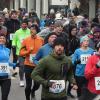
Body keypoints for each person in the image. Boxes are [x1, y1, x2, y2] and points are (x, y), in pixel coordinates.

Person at [19, 24, 44, 100]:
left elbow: (43, 52)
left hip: (37, 65)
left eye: (33, 29)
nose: (31, 30)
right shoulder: (26, 40)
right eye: (31, 29)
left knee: (37, 84)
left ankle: (33, 91)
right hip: (28, 65)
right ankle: (27, 98)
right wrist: (28, 51)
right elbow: (21, 52)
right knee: (28, 86)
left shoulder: (41, 40)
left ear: (37, 30)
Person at [12, 19, 30, 86]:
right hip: (20, 52)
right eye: (23, 24)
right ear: (21, 25)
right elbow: (14, 40)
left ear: (27, 25)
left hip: (29, 52)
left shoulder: (30, 31)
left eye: (25, 24)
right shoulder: (17, 32)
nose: (24, 25)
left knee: (28, 67)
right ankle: (21, 79)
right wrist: (14, 44)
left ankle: (28, 79)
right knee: (21, 66)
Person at [0, 33, 16, 100]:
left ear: (6, 40)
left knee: (5, 97)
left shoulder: (7, 50)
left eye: (3, 38)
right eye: (0, 38)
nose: (2, 39)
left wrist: (14, 64)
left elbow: (6, 62)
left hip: (6, 76)